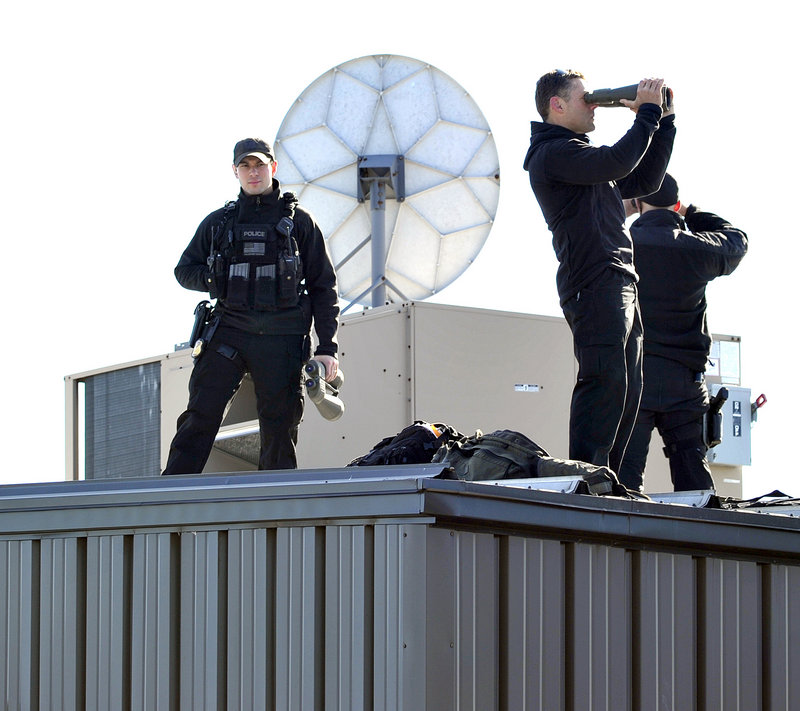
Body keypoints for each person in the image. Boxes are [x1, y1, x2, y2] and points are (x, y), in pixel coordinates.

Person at [523, 70, 676, 473]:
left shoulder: (580, 157)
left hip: (619, 277)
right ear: (557, 105)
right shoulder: (552, 154)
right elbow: (616, 159)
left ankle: (613, 476)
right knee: (604, 378)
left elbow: (645, 178)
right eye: (584, 99)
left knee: (629, 385)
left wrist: (664, 121)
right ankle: (587, 476)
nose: (593, 106)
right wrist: (645, 114)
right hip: (592, 279)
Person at [163, 138, 340, 475]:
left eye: (259, 165)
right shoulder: (219, 223)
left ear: (272, 168)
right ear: (235, 171)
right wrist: (218, 281)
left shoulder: (300, 223)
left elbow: (323, 287)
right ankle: (168, 499)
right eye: (245, 166)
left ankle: (276, 507)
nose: (253, 172)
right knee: (200, 415)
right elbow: (184, 270)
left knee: (280, 428)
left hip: (282, 337)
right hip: (230, 332)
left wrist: (327, 347)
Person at [618, 174, 748, 491]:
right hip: (685, 384)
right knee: (695, 483)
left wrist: (622, 210)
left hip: (632, 377)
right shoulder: (695, 248)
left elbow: (583, 232)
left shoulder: (621, 246)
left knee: (622, 484)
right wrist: (690, 212)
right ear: (675, 205)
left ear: (637, 201)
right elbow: (736, 240)